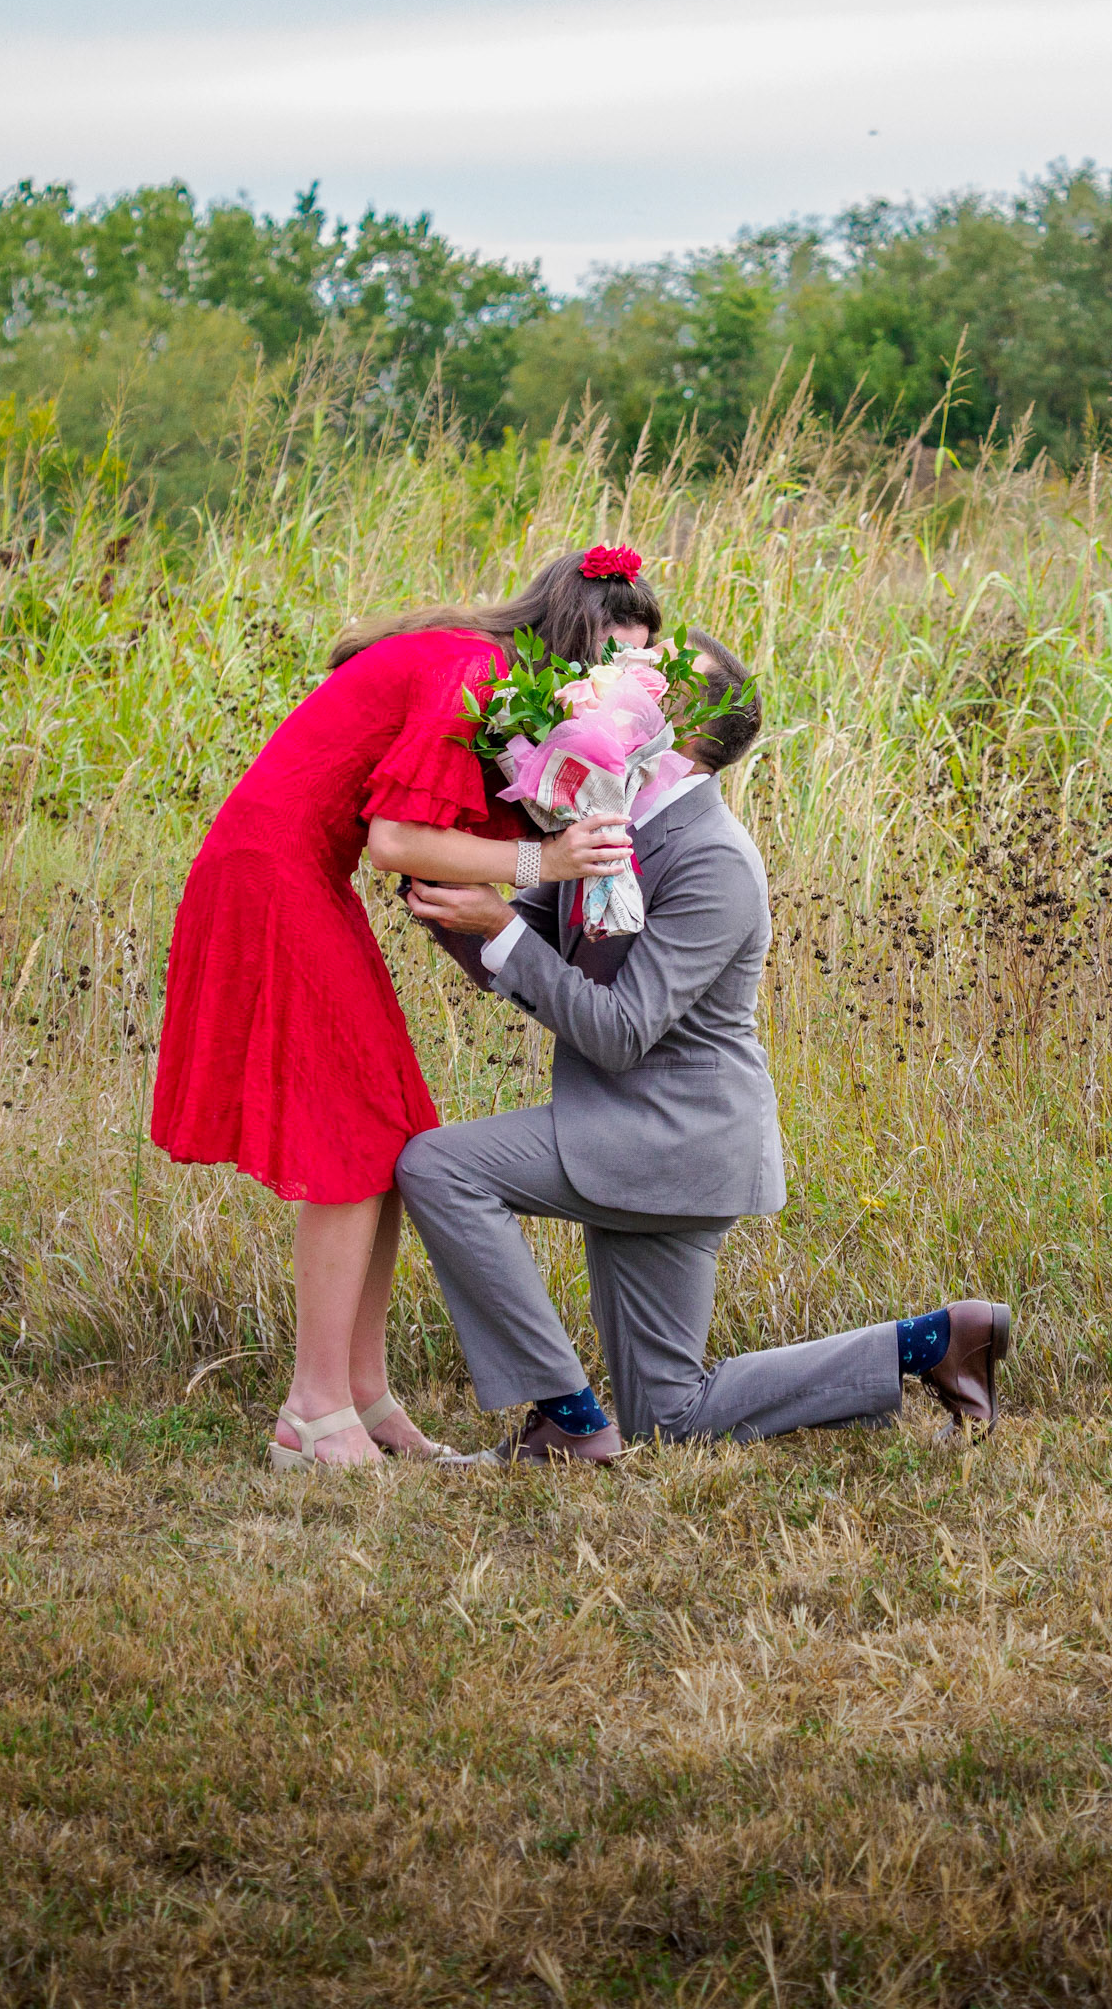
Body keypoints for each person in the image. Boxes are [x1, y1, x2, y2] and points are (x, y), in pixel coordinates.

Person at [397, 631, 1013, 1459]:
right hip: (638, 1132)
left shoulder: (713, 861)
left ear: (677, 734)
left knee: (440, 1167)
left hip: (673, 1138)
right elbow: (525, 946)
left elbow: (618, 1031)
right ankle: (935, 1343)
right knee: (671, 1418)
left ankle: (565, 1419)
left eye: (645, 676)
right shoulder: (608, 822)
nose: (611, 677)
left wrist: (498, 925)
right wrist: (439, 885)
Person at [151, 549, 657, 1469]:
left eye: (635, 666)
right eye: (609, 659)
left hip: (303, 876)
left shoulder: (496, 677)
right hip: (270, 876)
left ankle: (365, 1393)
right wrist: (545, 862)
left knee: (388, 1127)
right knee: (346, 1137)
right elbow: (393, 840)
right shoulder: (477, 669)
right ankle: (312, 1411)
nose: (615, 685)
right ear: (569, 634)